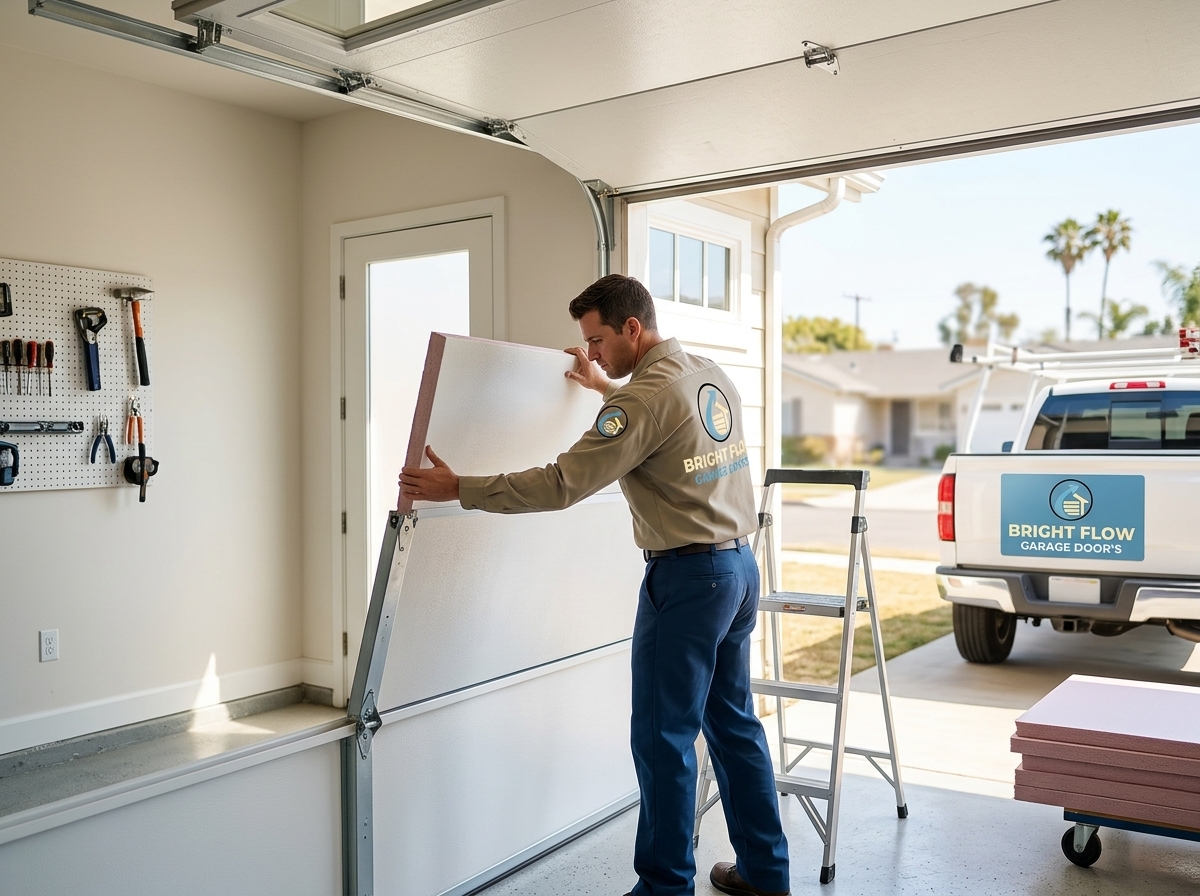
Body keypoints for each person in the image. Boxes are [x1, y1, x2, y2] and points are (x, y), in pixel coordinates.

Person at [400, 274, 790, 896]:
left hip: (687, 581)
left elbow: (562, 484)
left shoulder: (640, 402)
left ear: (632, 328)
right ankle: (766, 875)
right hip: (739, 571)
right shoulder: (707, 372)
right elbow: (666, 421)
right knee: (734, 726)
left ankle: (664, 887)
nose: (594, 353)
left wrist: (460, 488)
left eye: (598, 340)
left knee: (664, 740)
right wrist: (606, 388)